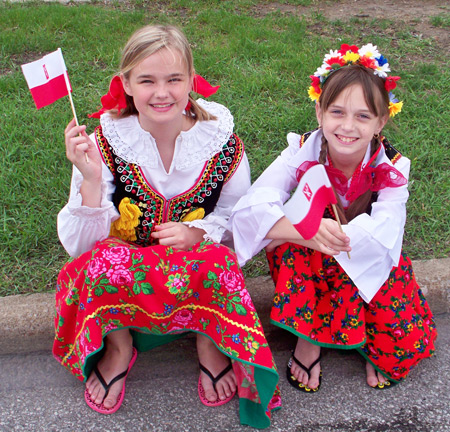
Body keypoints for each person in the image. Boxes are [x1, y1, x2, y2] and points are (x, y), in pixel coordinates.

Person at [54, 24, 280, 428]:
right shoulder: (106, 143)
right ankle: (120, 345)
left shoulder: (221, 143)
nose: (162, 92)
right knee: (100, 260)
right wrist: (89, 180)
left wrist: (198, 234)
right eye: (147, 80)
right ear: (125, 83)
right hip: (129, 267)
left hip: (189, 267)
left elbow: (238, 217)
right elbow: (80, 246)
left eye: (174, 79)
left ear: (192, 80)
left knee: (219, 262)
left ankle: (209, 339)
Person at [230, 43, 437, 392]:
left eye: (363, 116)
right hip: (308, 258)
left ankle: (365, 336)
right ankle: (309, 340)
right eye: (337, 112)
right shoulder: (303, 150)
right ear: (319, 112)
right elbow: (253, 205)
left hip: (364, 257)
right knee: (296, 231)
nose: (348, 127)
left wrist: (334, 236)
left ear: (381, 120)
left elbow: (385, 229)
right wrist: (306, 230)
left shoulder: (392, 165)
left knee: (400, 342)